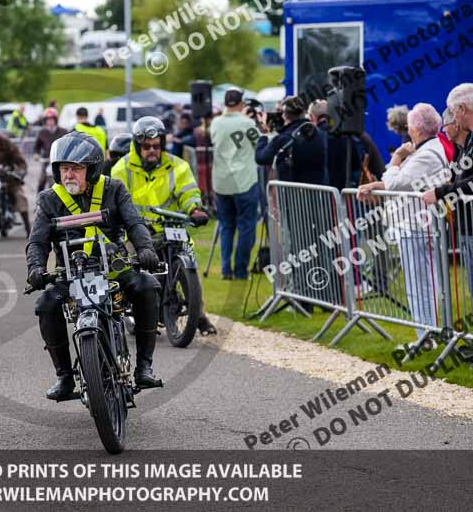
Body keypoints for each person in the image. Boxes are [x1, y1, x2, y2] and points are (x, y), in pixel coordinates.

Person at [26, 131, 162, 399]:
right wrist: (35, 268)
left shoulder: (114, 189)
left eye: (76, 169)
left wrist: (145, 249)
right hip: (71, 273)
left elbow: (135, 223)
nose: (68, 175)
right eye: (64, 168)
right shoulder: (48, 199)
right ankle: (65, 377)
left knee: (148, 286)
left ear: (92, 170)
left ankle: (144, 367)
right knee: (45, 305)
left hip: (114, 267)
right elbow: (37, 242)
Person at [110, 117, 216, 334]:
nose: (152, 150)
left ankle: (199, 315)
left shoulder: (178, 166)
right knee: (127, 262)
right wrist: (130, 224)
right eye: (147, 147)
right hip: (137, 232)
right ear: (137, 146)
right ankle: (129, 311)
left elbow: (188, 192)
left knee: (188, 261)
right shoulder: (122, 168)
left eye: (156, 146)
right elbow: (116, 202)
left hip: (170, 227)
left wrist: (195, 209)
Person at [359, 103, 447, 348]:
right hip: (416, 225)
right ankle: (427, 334)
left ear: (416, 129)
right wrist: (377, 185)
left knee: (421, 286)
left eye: (409, 125)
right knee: (421, 284)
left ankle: (427, 337)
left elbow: (397, 182)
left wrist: (396, 157)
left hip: (418, 226)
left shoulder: (427, 153)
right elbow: (401, 182)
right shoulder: (425, 150)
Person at [423, 86, 473, 311]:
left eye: (452, 112)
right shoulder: (465, 146)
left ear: (461, 109)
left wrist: (441, 193)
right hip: (466, 227)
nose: (450, 119)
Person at [210, 88, 260, 281]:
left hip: (221, 181)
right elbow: (259, 143)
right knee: (246, 226)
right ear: (241, 103)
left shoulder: (216, 122)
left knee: (226, 226)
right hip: (245, 180)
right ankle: (240, 270)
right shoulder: (247, 123)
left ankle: (225, 270)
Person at [255, 96, 328, 184]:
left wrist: (263, 134)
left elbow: (261, 158)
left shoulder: (282, 139)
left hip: (292, 194)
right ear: (303, 112)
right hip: (319, 192)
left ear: (284, 116)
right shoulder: (320, 133)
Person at [32, 108, 67, 194]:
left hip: (60, 160)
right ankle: (39, 200)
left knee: (64, 179)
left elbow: (68, 145)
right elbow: (36, 147)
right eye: (48, 120)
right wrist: (36, 154)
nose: (50, 122)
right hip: (46, 160)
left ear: (55, 120)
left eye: (52, 119)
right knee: (42, 180)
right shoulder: (41, 132)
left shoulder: (63, 131)